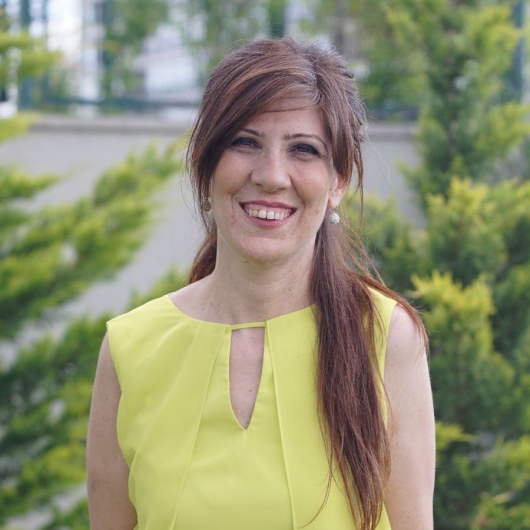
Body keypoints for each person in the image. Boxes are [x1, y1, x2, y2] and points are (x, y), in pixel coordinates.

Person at [86, 37, 435, 530]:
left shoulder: (385, 337)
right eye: (245, 142)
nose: (272, 176)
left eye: (304, 150)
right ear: (205, 162)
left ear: (338, 182)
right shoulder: (130, 348)